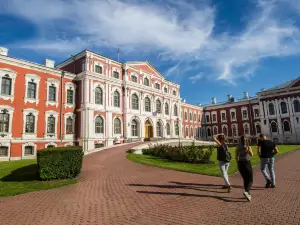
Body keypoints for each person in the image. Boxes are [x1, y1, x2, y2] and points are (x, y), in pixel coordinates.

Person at [235, 136, 253, 202]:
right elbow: (251, 155)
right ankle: (247, 192)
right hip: (247, 163)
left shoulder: (237, 147)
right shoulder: (248, 147)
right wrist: (248, 150)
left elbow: (236, 157)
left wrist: (238, 164)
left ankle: (247, 193)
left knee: (245, 179)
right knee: (250, 179)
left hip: (240, 163)